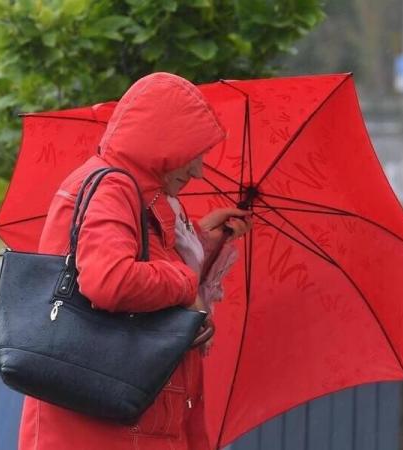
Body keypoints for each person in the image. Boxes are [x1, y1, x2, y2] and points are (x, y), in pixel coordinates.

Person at [18, 72, 252, 450]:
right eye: (192, 154)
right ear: (163, 144)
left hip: (119, 421)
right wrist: (185, 281)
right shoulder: (114, 189)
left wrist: (200, 246)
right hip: (105, 429)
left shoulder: (137, 195)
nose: (198, 170)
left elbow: (142, 265)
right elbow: (111, 280)